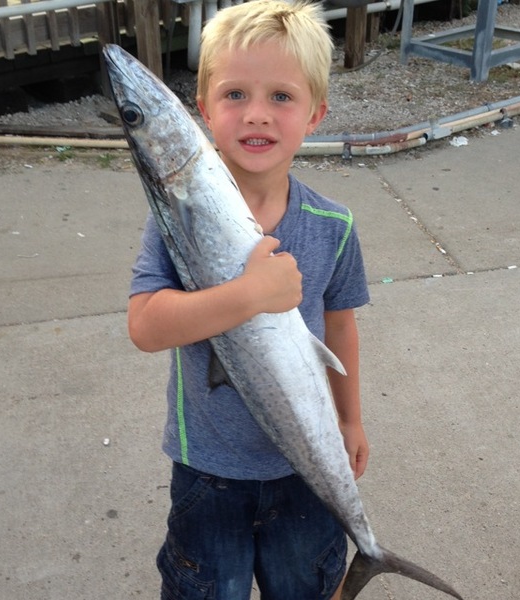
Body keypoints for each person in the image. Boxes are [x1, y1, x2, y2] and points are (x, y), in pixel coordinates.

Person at [127, 1, 370, 598]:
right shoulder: (175, 223)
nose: (256, 113)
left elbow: (339, 326)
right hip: (208, 470)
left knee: (305, 588)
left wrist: (350, 418)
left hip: (305, 474)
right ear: (203, 111)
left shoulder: (333, 225)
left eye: (281, 97)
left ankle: (369, 554)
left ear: (315, 113)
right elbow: (146, 327)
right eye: (235, 94)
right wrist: (249, 295)